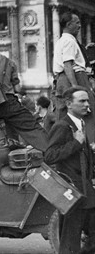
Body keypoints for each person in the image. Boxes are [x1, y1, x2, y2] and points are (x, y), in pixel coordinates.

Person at [0, 33, 49, 152]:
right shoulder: (9, 62)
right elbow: (17, 88)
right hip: (8, 103)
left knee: (2, 134)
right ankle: (51, 152)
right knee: (31, 125)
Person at [45, 87, 95, 254]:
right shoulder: (62, 125)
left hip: (85, 187)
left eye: (87, 100)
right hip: (71, 188)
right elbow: (50, 156)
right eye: (82, 101)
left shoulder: (80, 123)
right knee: (70, 237)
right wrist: (75, 144)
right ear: (68, 104)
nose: (87, 104)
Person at [53, 12, 95, 139]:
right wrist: (75, 87)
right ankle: (91, 144)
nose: (80, 26)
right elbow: (68, 65)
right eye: (77, 23)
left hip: (63, 79)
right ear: (68, 24)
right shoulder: (69, 41)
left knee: (65, 113)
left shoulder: (63, 40)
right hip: (75, 78)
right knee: (87, 110)